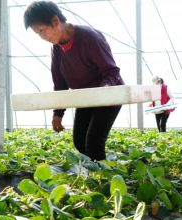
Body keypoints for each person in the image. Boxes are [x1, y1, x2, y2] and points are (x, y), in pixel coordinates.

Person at [24, 1, 123, 161]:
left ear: (55, 21)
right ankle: (94, 172)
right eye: (37, 33)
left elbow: (112, 71)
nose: (42, 37)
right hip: (85, 98)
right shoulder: (56, 47)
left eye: (42, 31)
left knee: (93, 142)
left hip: (109, 97)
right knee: (79, 142)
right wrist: (58, 113)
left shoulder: (89, 37)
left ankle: (103, 179)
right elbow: (60, 83)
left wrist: (101, 92)